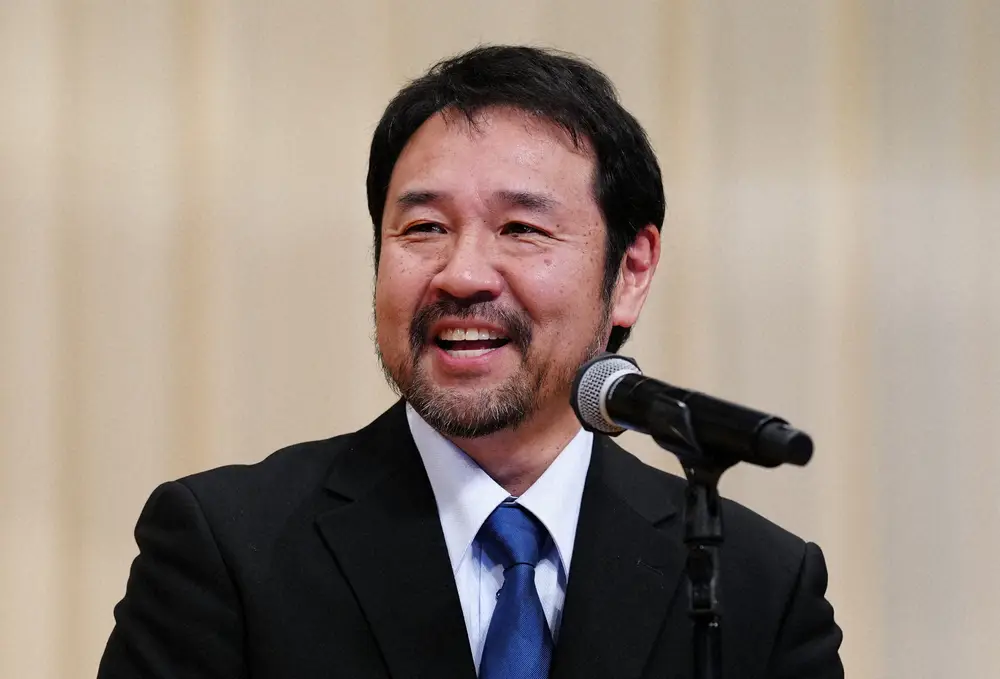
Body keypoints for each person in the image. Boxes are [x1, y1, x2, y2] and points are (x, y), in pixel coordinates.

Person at [98, 45, 843, 679]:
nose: (461, 274)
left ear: (631, 271)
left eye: (521, 228)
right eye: (424, 227)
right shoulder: (229, 548)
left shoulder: (758, 585)